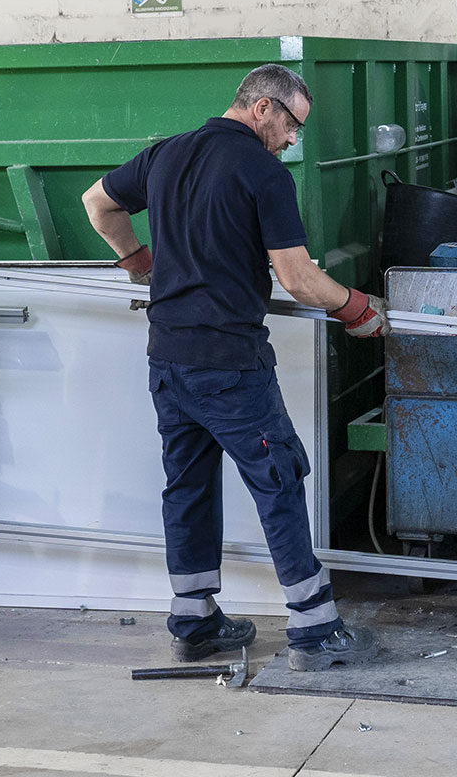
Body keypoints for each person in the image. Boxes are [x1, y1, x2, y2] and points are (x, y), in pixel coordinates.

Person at [82, 63, 390, 672]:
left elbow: (97, 203)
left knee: (188, 484)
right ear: (262, 108)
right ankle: (313, 626)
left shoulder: (164, 156)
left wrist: (137, 259)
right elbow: (298, 279)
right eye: (292, 125)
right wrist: (358, 308)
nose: (292, 140)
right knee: (277, 479)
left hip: (167, 359)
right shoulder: (262, 173)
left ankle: (194, 621)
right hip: (230, 364)